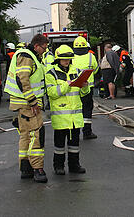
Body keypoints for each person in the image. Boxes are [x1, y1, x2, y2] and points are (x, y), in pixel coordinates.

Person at [3, 34, 48, 182]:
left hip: (23, 103)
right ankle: (37, 169)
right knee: (37, 134)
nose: (44, 50)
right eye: (44, 47)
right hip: (28, 104)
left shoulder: (27, 55)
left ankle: (26, 168)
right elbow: (23, 80)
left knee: (25, 135)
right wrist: (33, 101)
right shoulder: (27, 56)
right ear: (36, 46)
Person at [45, 45, 88, 175]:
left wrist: (84, 86)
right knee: (59, 145)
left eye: (68, 59)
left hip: (74, 117)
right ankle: (58, 166)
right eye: (64, 59)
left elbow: (84, 93)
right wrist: (67, 85)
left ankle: (74, 165)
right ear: (58, 59)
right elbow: (52, 92)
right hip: (61, 116)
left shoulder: (76, 70)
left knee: (74, 144)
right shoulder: (51, 73)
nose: (66, 61)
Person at [72, 36, 99, 139]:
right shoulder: (91, 57)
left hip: (74, 88)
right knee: (87, 109)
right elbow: (96, 70)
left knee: (76, 109)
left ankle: (75, 132)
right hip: (88, 88)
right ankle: (87, 132)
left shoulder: (71, 57)